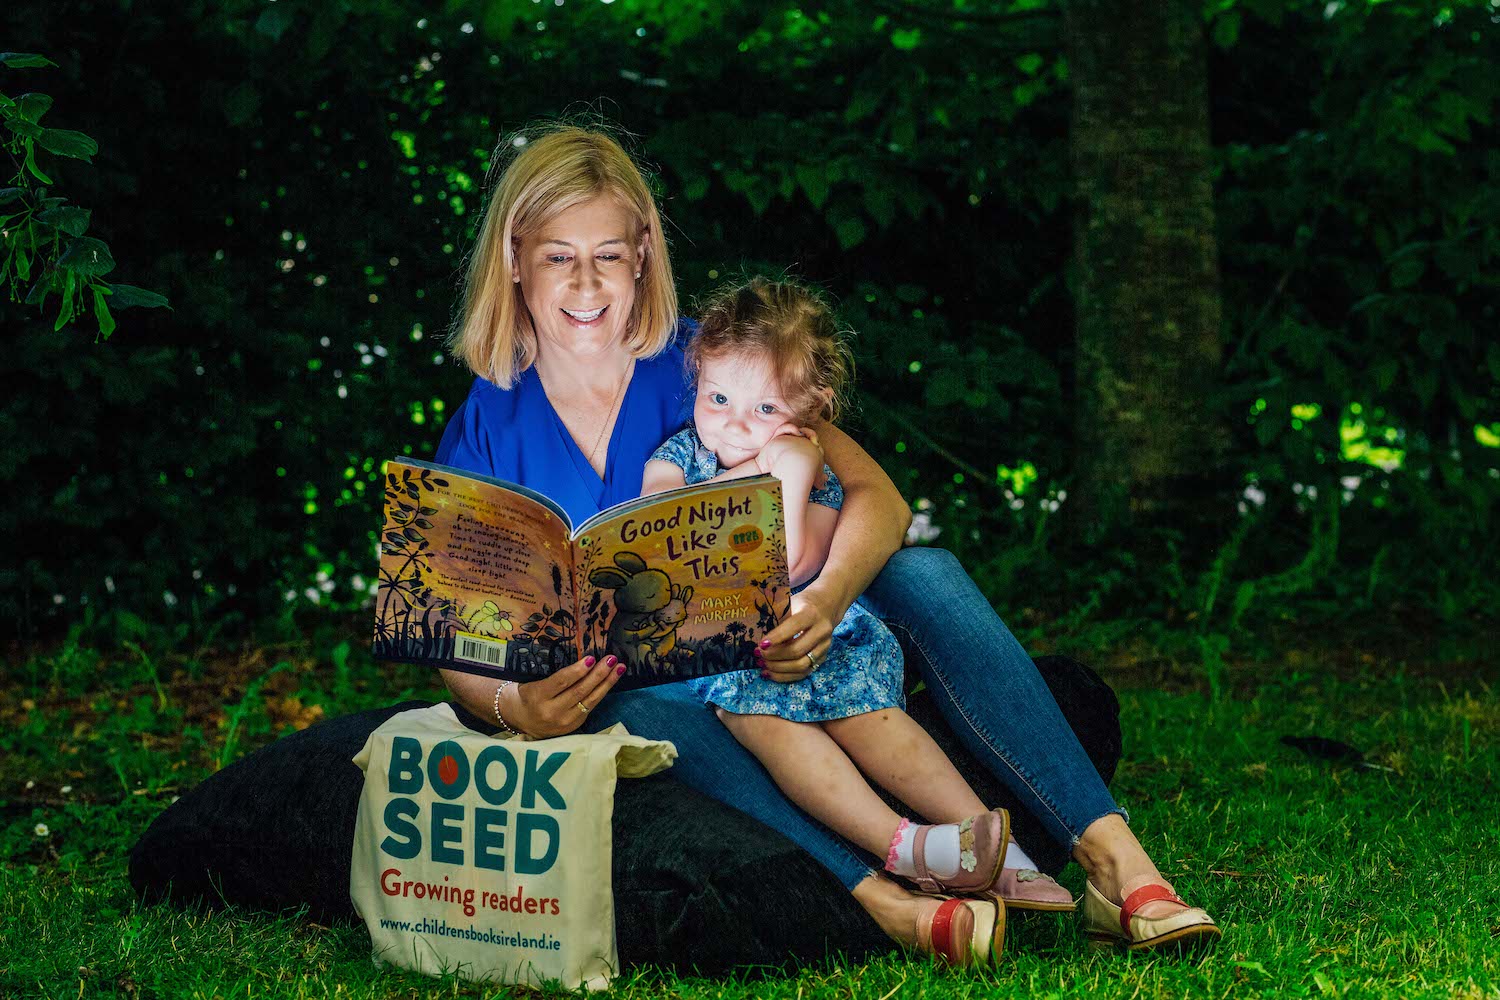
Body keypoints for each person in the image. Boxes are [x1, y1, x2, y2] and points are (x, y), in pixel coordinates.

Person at [433, 122, 1221, 961]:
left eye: (607, 253)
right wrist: (513, 706)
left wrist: (826, 598)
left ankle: (1118, 865)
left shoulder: (711, 362)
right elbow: (452, 630)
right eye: (558, 255)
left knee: (927, 571)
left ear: (644, 253)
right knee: (649, 700)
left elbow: (880, 498)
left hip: (802, 638)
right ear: (515, 260)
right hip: (665, 699)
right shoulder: (487, 419)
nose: (585, 281)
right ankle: (886, 898)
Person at [640, 276, 1076, 942]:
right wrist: (766, 463)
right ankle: (905, 848)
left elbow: (785, 555)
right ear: (695, 383)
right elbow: (660, 526)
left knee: (873, 720)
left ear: (811, 409)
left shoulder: (810, 463)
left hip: (822, 630)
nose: (731, 422)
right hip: (729, 652)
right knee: (772, 722)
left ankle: (990, 852)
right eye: (717, 397)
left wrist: (789, 460)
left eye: (763, 409)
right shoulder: (678, 456)